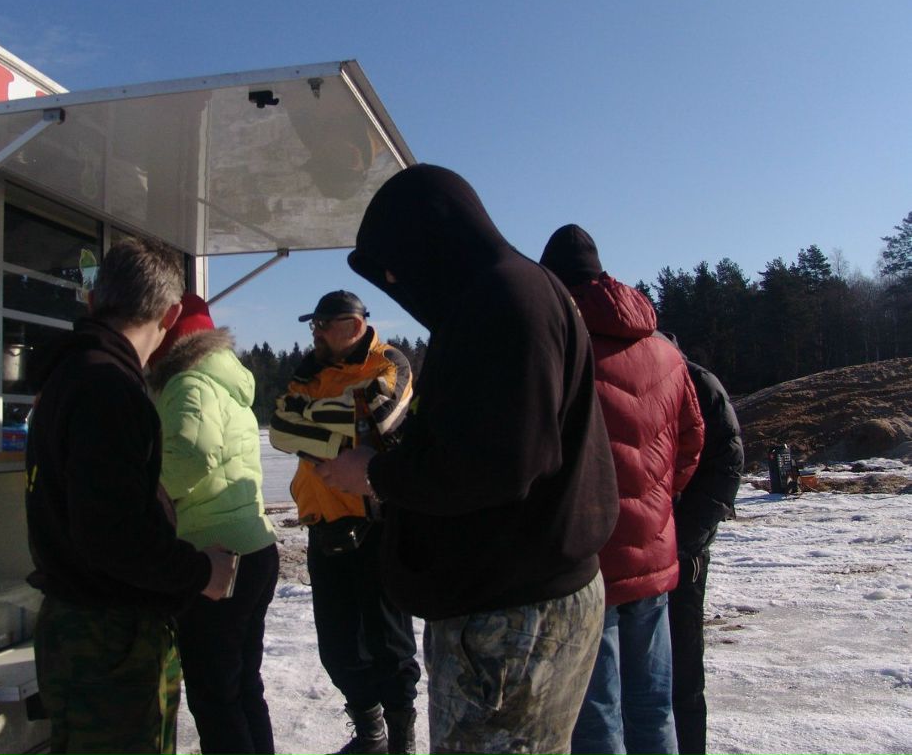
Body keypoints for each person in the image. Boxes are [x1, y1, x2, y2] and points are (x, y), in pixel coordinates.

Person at [319, 165, 620, 755]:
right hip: (522, 596)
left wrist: (374, 474)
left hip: (511, 615)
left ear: (432, 240)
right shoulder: (514, 292)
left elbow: (498, 464)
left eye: (397, 266)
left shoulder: (505, 302)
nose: (397, 281)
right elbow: (495, 440)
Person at [25, 236, 234, 755]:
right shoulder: (109, 389)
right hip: (107, 637)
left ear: (94, 302)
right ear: (169, 316)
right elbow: (113, 536)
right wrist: (202, 573)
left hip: (84, 625)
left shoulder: (72, 376)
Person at [540, 224, 705, 755]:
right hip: (654, 555)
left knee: (596, 717)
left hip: (587, 560)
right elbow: (691, 443)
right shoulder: (665, 353)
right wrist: (656, 501)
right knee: (653, 705)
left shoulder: (556, 346)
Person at [269, 290, 420, 755]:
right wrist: (341, 422)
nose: (313, 333)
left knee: (389, 646)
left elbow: (377, 420)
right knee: (337, 647)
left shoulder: (390, 361)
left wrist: (316, 421)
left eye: (321, 324)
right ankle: (370, 736)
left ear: (352, 326)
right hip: (323, 527)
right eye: (311, 325)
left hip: (375, 525)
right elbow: (279, 429)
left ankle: (401, 741)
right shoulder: (310, 371)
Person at [148, 294, 280, 755]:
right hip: (254, 548)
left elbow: (191, 454)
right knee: (243, 686)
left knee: (216, 697)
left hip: (217, 558)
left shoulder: (187, 382)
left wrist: (147, 491)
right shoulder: (225, 382)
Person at [663, 343, 744, 755]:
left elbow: (727, 463)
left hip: (683, 558)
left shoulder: (696, 380)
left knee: (683, 681)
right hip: (630, 558)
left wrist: (683, 540)